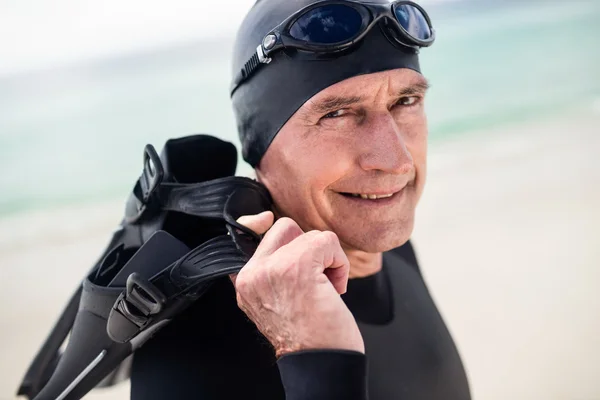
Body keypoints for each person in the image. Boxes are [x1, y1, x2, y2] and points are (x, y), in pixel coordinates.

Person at [130, 0, 471, 399]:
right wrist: (311, 356)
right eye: (338, 113)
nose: (396, 162)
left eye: (405, 101)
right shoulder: (189, 357)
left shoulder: (387, 245)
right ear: (259, 145)